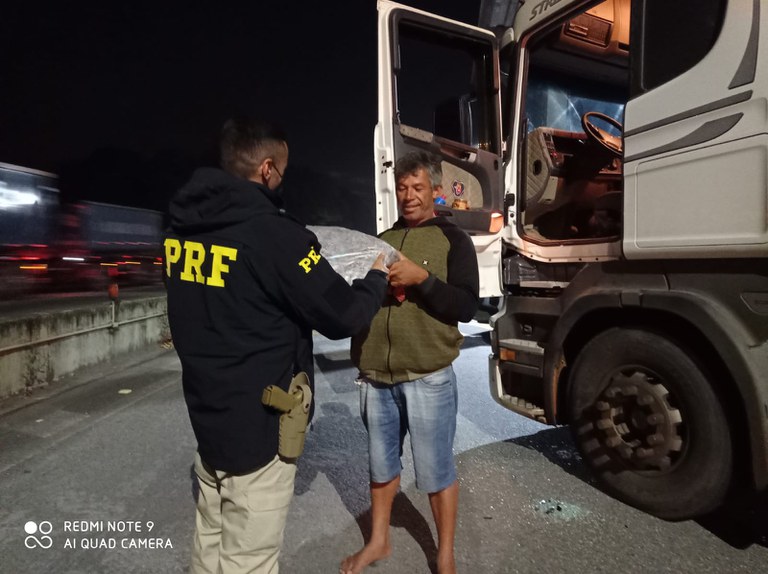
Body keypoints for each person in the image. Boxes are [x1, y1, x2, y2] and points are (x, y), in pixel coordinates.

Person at [164, 116, 389, 574]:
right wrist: (377, 278)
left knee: (208, 548)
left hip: (208, 422)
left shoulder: (181, 228)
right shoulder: (274, 236)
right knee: (249, 562)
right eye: (282, 172)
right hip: (259, 432)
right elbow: (342, 314)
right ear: (267, 169)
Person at [341, 151, 479, 574]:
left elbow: (468, 305)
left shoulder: (454, 240)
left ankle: (444, 555)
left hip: (428, 374)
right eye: (402, 188)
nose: (409, 196)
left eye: (418, 187)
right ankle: (379, 541)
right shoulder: (381, 238)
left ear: (435, 192)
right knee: (380, 467)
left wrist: (422, 280)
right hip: (376, 376)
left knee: (436, 469)